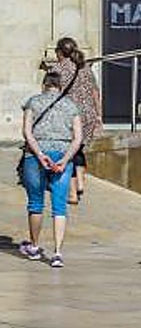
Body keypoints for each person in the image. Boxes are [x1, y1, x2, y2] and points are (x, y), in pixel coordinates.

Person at [19, 71, 83, 268]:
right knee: (59, 206)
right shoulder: (71, 106)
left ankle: (35, 247)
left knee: (36, 203)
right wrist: (64, 160)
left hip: (35, 155)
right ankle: (57, 254)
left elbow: (27, 132)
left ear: (44, 84)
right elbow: (78, 138)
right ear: (60, 85)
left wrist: (39, 154)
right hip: (62, 153)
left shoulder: (33, 102)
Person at [44, 37, 101, 205]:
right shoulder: (85, 68)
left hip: (70, 116)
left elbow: (49, 95)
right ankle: (81, 183)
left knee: (68, 153)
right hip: (88, 115)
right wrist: (98, 116)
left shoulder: (57, 69)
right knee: (79, 148)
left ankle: (73, 193)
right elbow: (95, 93)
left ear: (60, 52)